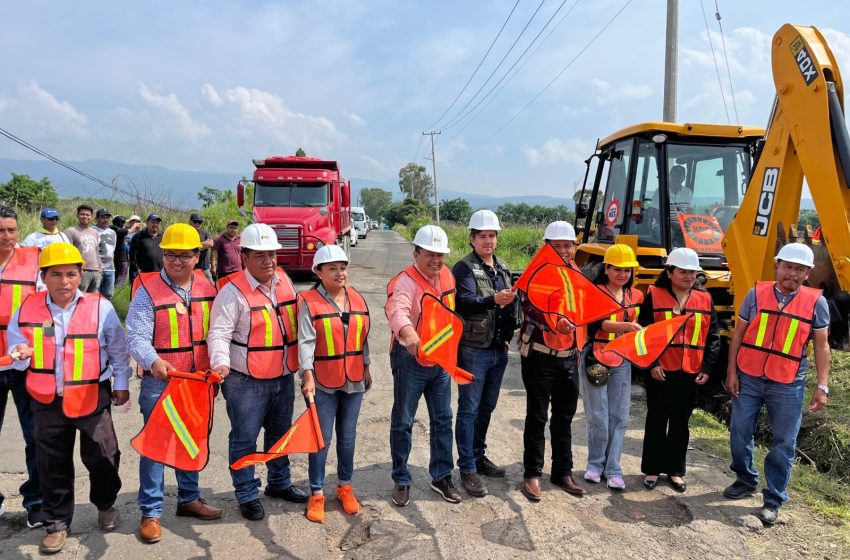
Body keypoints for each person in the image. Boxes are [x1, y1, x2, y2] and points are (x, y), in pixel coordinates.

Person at [6, 242, 131, 554]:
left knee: (104, 455)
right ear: (43, 277)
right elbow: (17, 343)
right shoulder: (28, 307)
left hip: (91, 395)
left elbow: (117, 347)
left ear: (80, 275)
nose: (64, 282)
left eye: (71, 274)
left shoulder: (100, 306)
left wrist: (122, 382)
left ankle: (105, 503)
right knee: (51, 463)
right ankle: (57, 522)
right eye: (56, 275)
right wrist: (20, 353)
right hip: (46, 399)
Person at [126, 224, 223, 543]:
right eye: (170, 255)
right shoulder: (148, 290)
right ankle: (151, 512)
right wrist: (152, 361)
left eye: (184, 255)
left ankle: (189, 499)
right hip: (161, 383)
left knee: (190, 440)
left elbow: (219, 333)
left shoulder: (208, 288)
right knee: (155, 447)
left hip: (197, 383)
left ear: (198, 255)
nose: (176, 261)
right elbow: (136, 336)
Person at [723, 243, 829, 526]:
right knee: (739, 430)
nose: (792, 274)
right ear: (776, 266)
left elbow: (821, 346)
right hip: (749, 375)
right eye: (788, 267)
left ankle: (773, 499)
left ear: (808, 273)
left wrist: (823, 385)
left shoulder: (816, 302)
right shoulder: (755, 294)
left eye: (800, 269)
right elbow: (738, 336)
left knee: (784, 442)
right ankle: (745, 478)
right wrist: (731, 371)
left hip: (788, 382)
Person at [207, 223, 307, 521]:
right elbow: (219, 333)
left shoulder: (285, 283)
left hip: (282, 377)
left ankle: (279, 483)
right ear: (244, 257)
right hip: (244, 381)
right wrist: (220, 362)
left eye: (272, 255)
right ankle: (247, 493)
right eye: (260, 255)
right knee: (244, 438)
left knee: (279, 434)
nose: (268, 261)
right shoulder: (232, 292)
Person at [385, 224, 460, 507]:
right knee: (404, 420)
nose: (436, 260)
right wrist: (409, 335)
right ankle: (401, 479)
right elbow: (398, 311)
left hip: (440, 360)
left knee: (443, 418)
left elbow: (452, 314)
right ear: (415, 252)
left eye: (440, 255)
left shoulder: (448, 275)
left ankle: (441, 476)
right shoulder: (404, 281)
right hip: (410, 359)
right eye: (430, 254)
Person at [299, 245, 371, 523]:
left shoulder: (359, 299)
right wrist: (306, 374)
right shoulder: (308, 301)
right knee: (321, 438)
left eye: (342, 267)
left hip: (353, 378)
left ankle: (345, 486)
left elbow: (363, 337)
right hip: (322, 381)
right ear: (318, 271)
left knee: (348, 436)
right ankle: (316, 492)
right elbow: (306, 341)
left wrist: (366, 367)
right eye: (332, 268)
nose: (340, 273)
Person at [639, 247, 720, 493]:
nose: (689, 277)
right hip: (661, 370)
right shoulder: (654, 295)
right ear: (670, 271)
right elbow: (642, 334)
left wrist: (707, 367)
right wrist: (651, 364)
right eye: (683, 272)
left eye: (693, 272)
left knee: (680, 422)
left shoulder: (704, 298)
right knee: (656, 419)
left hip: (690, 371)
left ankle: (675, 471)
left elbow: (713, 335)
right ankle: (652, 469)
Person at [517, 221, 586, 501]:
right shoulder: (535, 275)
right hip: (540, 355)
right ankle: (532, 474)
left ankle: (562, 472)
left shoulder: (577, 275)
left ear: (574, 247)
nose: (561, 251)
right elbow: (530, 308)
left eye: (566, 246)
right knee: (537, 416)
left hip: (570, 356)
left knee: (564, 417)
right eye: (555, 246)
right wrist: (556, 322)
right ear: (546, 247)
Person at [451, 210, 515, 497]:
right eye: (482, 236)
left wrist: (508, 337)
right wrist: (493, 299)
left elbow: (511, 306)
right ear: (472, 239)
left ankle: (478, 456)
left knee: (486, 407)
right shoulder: (463, 268)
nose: (488, 241)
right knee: (469, 409)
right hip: (473, 350)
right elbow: (463, 302)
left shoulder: (501, 267)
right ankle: (466, 468)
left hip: (497, 350)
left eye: (492, 236)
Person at [580, 244, 643, 490]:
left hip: (622, 360)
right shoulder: (594, 292)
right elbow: (597, 325)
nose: (623, 275)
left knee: (619, 415)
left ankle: (613, 468)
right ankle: (595, 464)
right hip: (596, 356)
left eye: (627, 270)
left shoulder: (637, 296)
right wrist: (627, 328)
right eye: (618, 269)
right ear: (606, 268)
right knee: (598, 414)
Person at [0, 206, 44, 528]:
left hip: (25, 363)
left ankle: (37, 502)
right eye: (0, 230)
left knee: (36, 435)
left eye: (11, 230)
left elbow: (48, 307)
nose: (6, 237)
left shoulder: (34, 263)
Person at [63, 204, 102, 293]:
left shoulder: (95, 232)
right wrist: (75, 269)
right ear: (77, 215)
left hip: (96, 271)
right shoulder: (71, 231)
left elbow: (96, 250)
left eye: (87, 215)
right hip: (81, 271)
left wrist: (100, 267)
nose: (85, 216)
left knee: (93, 299)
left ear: (92, 217)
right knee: (79, 296)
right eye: (82, 214)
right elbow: (68, 253)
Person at [129, 214, 164, 283]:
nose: (155, 225)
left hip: (160, 274)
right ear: (147, 223)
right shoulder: (139, 236)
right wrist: (137, 269)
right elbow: (132, 255)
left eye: (157, 223)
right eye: (153, 222)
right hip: (143, 274)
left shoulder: (163, 237)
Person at [93, 209, 117, 300]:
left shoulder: (113, 233)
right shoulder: (92, 230)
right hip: (96, 269)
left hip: (110, 269)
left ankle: (105, 314)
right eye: (103, 217)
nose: (106, 220)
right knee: (94, 295)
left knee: (108, 295)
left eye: (107, 217)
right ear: (96, 218)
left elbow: (113, 250)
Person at [189, 213, 214, 284]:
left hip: (204, 268)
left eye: (199, 222)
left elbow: (210, 243)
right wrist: (203, 244)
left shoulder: (205, 233)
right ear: (190, 222)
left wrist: (194, 247)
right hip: (191, 267)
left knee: (212, 289)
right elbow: (186, 248)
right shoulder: (187, 233)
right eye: (195, 221)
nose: (197, 223)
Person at [110, 216, 130, 288]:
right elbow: (129, 230)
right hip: (122, 257)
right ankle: (117, 289)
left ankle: (114, 288)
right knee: (122, 274)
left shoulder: (111, 229)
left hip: (114, 257)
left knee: (116, 273)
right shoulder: (120, 231)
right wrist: (135, 226)